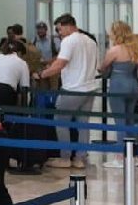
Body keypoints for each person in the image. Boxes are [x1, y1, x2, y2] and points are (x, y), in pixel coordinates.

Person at [33, 14, 100, 169]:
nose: (59, 33)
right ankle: (80, 158)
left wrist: (42, 74)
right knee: (83, 124)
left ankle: (65, 157)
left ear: (67, 25)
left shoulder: (69, 41)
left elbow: (60, 64)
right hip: (90, 87)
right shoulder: (90, 41)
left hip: (73, 88)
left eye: (59, 29)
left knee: (61, 120)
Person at [100, 20, 138, 135]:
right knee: (130, 119)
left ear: (116, 33)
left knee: (119, 120)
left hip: (118, 85)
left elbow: (103, 67)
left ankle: (121, 149)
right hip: (133, 85)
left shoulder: (114, 51)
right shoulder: (135, 49)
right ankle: (133, 148)